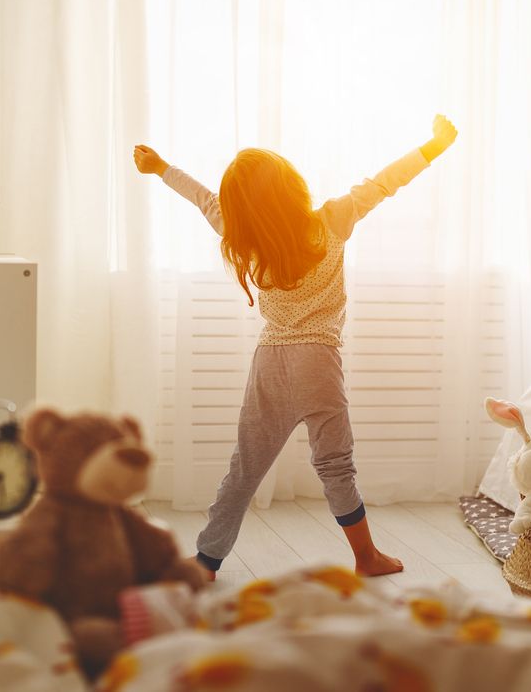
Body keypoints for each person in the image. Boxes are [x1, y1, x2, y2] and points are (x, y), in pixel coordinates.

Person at [133, 115, 458, 577]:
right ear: (291, 185)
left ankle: (207, 561)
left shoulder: (244, 237)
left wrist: (162, 167)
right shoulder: (331, 219)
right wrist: (434, 146)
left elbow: (204, 200)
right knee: (335, 466)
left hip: (270, 360)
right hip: (318, 361)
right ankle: (366, 557)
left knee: (245, 468)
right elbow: (385, 182)